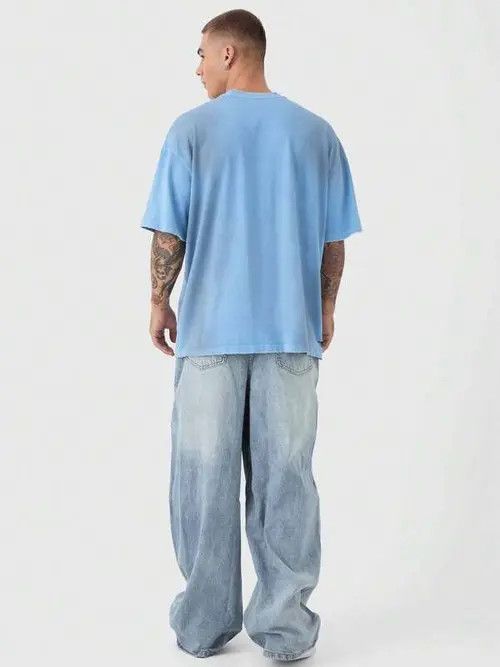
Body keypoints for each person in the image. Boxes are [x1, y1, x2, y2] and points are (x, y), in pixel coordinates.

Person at [140, 8, 362, 661]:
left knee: (202, 480)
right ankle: (285, 629)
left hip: (210, 332)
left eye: (202, 54)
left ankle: (204, 623)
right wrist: (325, 308)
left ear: (230, 54)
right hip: (291, 331)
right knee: (286, 479)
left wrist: (157, 300)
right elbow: (334, 241)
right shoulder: (316, 133)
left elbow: (169, 233)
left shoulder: (191, 131)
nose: (197, 68)